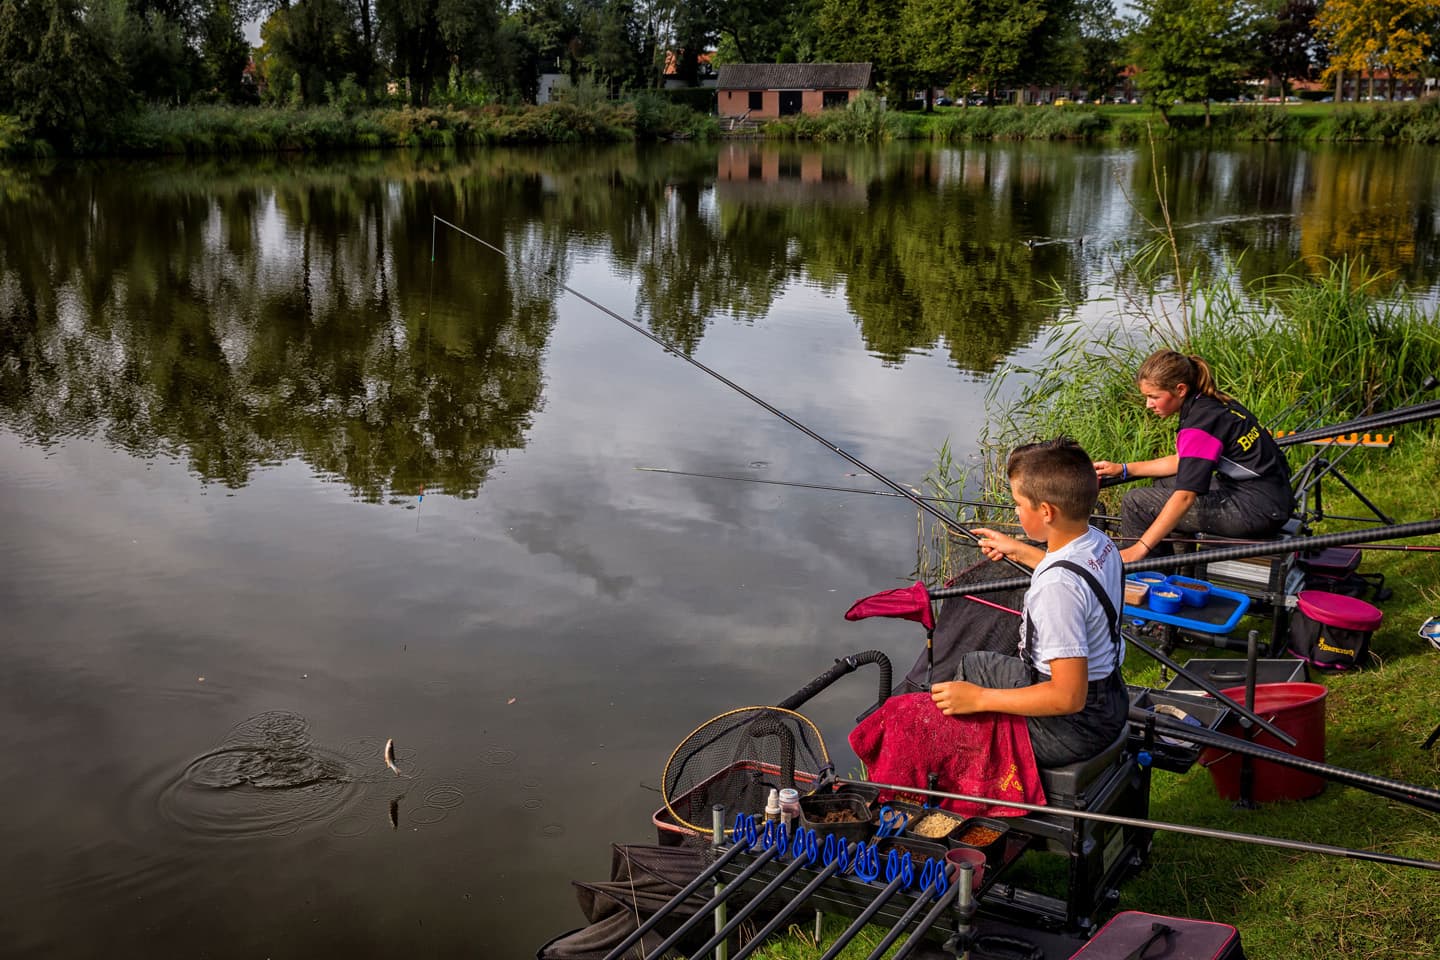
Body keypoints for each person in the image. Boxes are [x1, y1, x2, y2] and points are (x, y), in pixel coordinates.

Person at [930, 436, 1127, 768]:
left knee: (962, 712)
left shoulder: (1055, 591)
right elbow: (1075, 576)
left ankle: (975, 784)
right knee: (975, 664)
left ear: (1046, 511)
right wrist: (1018, 550)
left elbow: (1068, 696)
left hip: (1072, 729)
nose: (1016, 511)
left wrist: (979, 699)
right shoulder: (1099, 543)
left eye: (1019, 504)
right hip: (1110, 700)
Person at [1093, 350, 1292, 563]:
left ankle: (1143, 572)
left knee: (1136, 503)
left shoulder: (1200, 424)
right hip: (1271, 495)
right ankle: (1178, 564)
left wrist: (1139, 548)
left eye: (1154, 397)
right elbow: (1183, 462)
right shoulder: (1212, 402)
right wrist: (1124, 469)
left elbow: (1186, 496)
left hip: (1255, 509)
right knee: (1163, 485)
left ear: (1180, 389)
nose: (1148, 405)